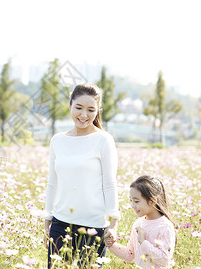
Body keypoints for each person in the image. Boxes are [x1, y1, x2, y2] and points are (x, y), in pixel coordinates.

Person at [43, 83, 120, 268]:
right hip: (60, 224)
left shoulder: (103, 140)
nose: (84, 115)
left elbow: (110, 184)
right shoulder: (58, 140)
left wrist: (113, 224)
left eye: (90, 110)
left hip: (93, 227)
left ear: (97, 111)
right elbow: (52, 183)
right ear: (70, 105)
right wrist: (48, 220)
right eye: (78, 108)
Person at [105, 175, 176, 269]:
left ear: (152, 200)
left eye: (136, 201)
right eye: (131, 200)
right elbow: (129, 255)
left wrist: (143, 242)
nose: (132, 205)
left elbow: (164, 260)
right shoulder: (138, 224)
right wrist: (111, 245)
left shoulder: (164, 226)